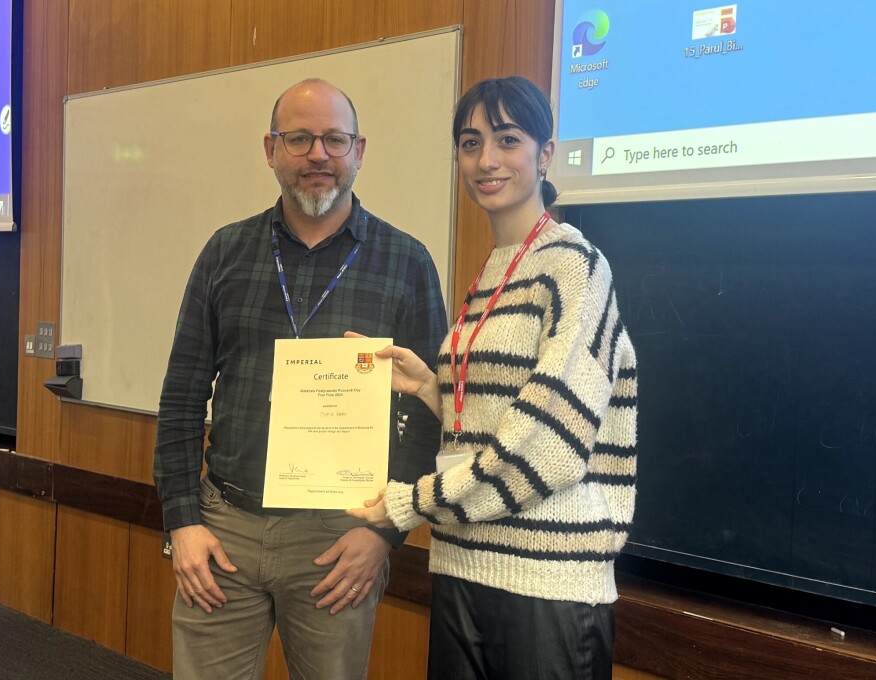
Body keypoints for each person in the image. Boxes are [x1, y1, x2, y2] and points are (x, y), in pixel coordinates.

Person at [154, 78, 447, 680]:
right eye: (299, 139)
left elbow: (426, 412)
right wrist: (182, 523)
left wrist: (385, 534)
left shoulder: (406, 261)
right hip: (225, 529)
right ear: (271, 149)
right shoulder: (225, 253)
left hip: (340, 539)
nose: (318, 155)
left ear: (358, 151)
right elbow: (182, 396)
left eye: (335, 140)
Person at [347, 76, 639, 679]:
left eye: (508, 139)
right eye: (470, 142)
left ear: (545, 154)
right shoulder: (492, 273)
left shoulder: (575, 265)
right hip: (462, 564)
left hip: (546, 583)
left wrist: (410, 503)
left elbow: (549, 444)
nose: (486, 160)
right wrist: (430, 388)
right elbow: (495, 420)